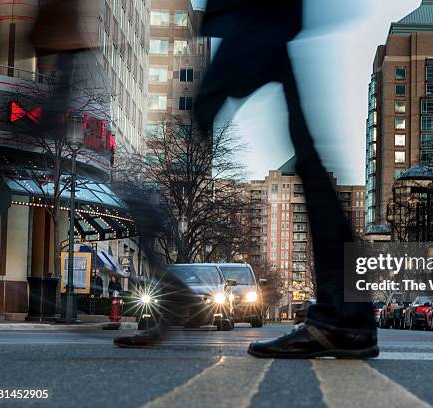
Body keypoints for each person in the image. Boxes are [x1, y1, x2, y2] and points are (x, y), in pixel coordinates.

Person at [114, 0, 378, 358]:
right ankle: (347, 316)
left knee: (305, 157)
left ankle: (343, 317)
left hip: (259, 17)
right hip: (260, 19)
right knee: (307, 155)